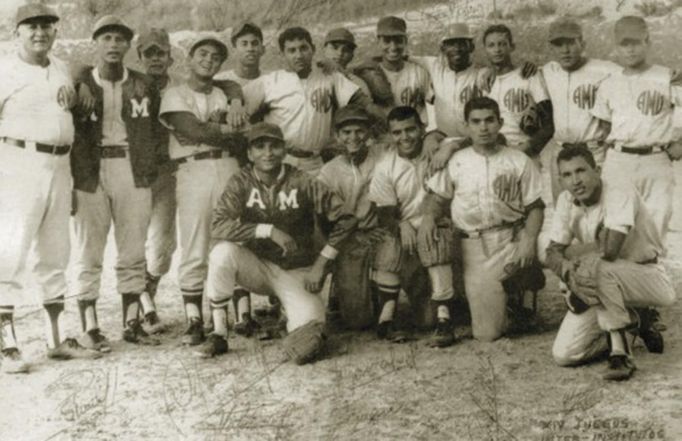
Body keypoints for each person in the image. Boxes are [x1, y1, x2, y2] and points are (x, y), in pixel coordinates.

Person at [197, 122, 358, 362]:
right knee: (222, 253)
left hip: (297, 270)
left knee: (307, 344)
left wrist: (322, 263)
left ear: (284, 150)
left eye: (274, 146)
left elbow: (346, 220)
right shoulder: (241, 181)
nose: (268, 153)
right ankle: (219, 333)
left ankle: (288, 314)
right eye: (260, 147)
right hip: (257, 266)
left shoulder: (302, 180)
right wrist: (267, 230)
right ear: (249, 154)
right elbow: (218, 225)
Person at [0, 4, 102, 373]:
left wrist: (81, 85)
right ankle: (6, 346)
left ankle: (56, 340)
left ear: (55, 32)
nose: (40, 33)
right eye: (31, 27)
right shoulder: (5, 70)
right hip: (17, 163)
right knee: (10, 254)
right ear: (17, 33)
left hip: (60, 165)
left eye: (46, 26)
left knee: (56, 252)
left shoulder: (60, 68)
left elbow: (74, 81)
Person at [71, 16, 163, 350]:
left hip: (130, 166)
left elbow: (154, 127)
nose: (113, 45)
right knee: (89, 249)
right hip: (90, 170)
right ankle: (90, 326)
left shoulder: (143, 84)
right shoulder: (81, 81)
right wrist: (79, 77)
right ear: (95, 42)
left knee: (133, 248)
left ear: (128, 46)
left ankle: (131, 322)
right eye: (106, 38)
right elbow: (71, 77)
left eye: (119, 39)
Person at [545, 145, 675, 381]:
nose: (576, 181)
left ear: (597, 169)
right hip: (601, 287)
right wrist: (569, 275)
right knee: (564, 355)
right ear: (561, 180)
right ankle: (636, 319)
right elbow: (551, 253)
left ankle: (620, 353)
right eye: (567, 175)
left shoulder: (618, 190)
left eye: (581, 171)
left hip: (647, 277)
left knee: (599, 268)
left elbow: (609, 250)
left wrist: (571, 254)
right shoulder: (566, 200)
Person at [420, 97, 545, 342]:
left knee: (543, 244)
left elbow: (536, 207)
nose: (483, 127)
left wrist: (529, 239)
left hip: (510, 239)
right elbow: (437, 200)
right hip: (473, 246)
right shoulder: (456, 160)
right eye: (476, 122)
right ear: (466, 126)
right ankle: (506, 301)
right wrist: (427, 219)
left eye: (489, 120)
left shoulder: (518, 160)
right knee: (487, 334)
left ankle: (526, 298)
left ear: (500, 123)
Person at [159, 34, 245, 346]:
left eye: (215, 57)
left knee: (231, 236)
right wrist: (223, 129)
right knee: (195, 241)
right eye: (202, 54)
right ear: (189, 59)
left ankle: (232, 315)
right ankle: (194, 318)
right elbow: (189, 128)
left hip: (228, 166)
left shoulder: (227, 91)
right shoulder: (175, 93)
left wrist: (224, 119)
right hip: (192, 169)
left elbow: (239, 136)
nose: (208, 60)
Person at [368, 106, 457, 347]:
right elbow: (384, 212)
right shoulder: (386, 165)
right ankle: (387, 318)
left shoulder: (437, 153)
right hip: (406, 236)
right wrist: (401, 224)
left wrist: (448, 145)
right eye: (397, 132)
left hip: (435, 227)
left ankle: (444, 318)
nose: (405, 137)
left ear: (422, 129)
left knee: (435, 237)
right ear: (391, 135)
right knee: (387, 242)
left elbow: (471, 139)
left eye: (410, 130)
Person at [591, 16, 682, 242]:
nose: (630, 50)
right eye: (624, 44)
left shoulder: (667, 77)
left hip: (656, 158)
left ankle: (650, 272)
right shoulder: (609, 83)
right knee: (616, 223)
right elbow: (603, 127)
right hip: (619, 159)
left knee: (655, 223)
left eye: (636, 42)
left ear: (647, 42)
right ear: (616, 47)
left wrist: (680, 142)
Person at [243, 26, 375, 176]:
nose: (298, 55)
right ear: (282, 54)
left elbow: (364, 103)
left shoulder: (329, 77)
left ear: (313, 49)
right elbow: (239, 113)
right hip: (282, 160)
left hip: (316, 161)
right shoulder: (269, 82)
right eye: (291, 50)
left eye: (303, 48)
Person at [316, 106, 389, 329]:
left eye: (359, 131)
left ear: (368, 133)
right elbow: (327, 222)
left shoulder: (383, 155)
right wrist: (355, 235)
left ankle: (385, 298)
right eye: (346, 132)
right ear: (337, 136)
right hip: (350, 238)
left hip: (381, 231)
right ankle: (339, 291)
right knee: (359, 322)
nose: (353, 137)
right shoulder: (329, 172)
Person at [541, 18, 619, 201]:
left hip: (594, 152)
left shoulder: (604, 69)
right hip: (561, 152)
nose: (565, 50)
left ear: (582, 43)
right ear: (552, 48)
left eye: (570, 43)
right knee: (564, 212)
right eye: (559, 45)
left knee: (600, 210)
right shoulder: (549, 71)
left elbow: (642, 79)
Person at [136, 28, 177, 334]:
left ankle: (148, 293)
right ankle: (143, 306)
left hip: (169, 171)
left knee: (162, 243)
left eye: (160, 53)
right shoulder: (131, 85)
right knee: (133, 241)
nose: (155, 59)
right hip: (135, 172)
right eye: (149, 53)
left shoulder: (179, 89)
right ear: (139, 57)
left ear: (170, 57)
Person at [482, 24, 554, 158]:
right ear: (485, 50)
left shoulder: (528, 75)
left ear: (512, 46)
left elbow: (549, 124)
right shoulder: (485, 81)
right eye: (491, 45)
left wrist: (527, 148)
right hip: (495, 152)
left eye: (502, 44)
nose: (497, 50)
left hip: (524, 151)